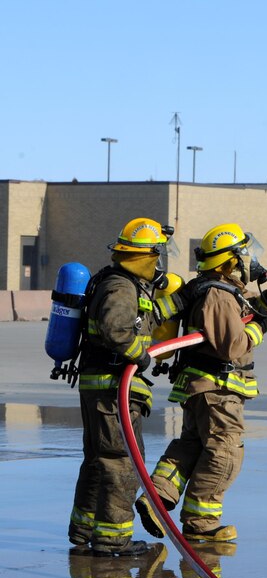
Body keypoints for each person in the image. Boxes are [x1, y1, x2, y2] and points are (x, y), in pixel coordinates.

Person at [137, 223, 267, 543]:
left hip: (201, 387)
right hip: (218, 389)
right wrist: (263, 325)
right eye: (245, 254)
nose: (251, 260)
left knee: (191, 447)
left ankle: (157, 499)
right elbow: (235, 344)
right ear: (230, 261)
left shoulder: (215, 288)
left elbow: (245, 312)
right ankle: (201, 521)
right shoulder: (219, 295)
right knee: (225, 452)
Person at [69, 218, 188, 557]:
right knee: (121, 462)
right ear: (146, 256)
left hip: (101, 386)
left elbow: (142, 319)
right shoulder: (121, 286)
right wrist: (143, 357)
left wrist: (177, 302)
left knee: (98, 460)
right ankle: (112, 540)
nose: (160, 263)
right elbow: (117, 330)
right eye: (157, 256)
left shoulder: (120, 282)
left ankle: (84, 528)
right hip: (112, 389)